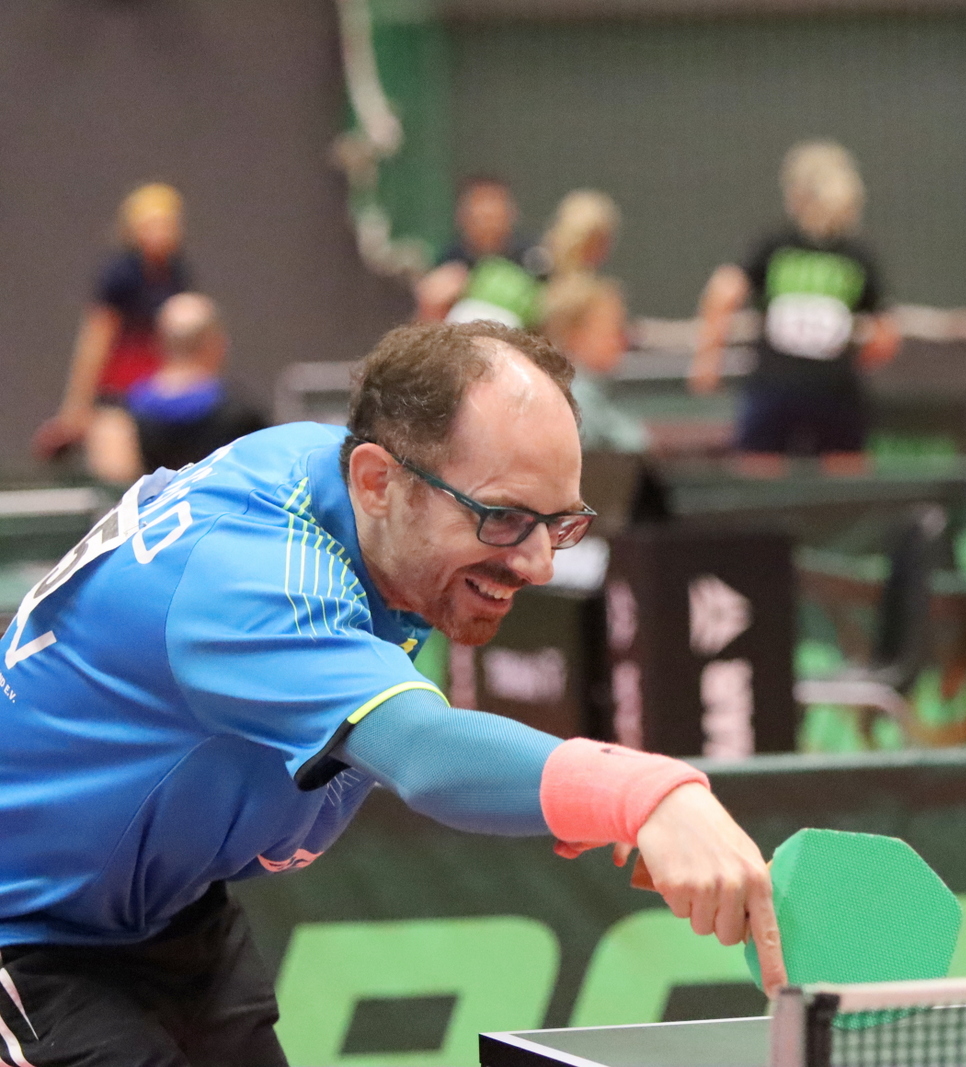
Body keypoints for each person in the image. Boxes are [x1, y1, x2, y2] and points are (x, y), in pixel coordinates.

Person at [0, 320, 783, 1063]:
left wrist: (573, 798)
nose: (540, 563)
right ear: (378, 480)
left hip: (164, 904)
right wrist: (645, 795)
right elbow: (423, 752)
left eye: (560, 522)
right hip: (28, 929)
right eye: (504, 517)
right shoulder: (253, 578)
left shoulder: (344, 484)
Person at [691, 140, 899, 461]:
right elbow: (886, 334)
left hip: (805, 387)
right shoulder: (792, 247)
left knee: (836, 473)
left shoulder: (841, 253)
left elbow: (723, 292)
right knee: (772, 470)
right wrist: (708, 358)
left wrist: (708, 358)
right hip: (800, 386)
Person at [32, 183, 193, 462]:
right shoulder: (119, 275)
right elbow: (96, 340)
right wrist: (76, 408)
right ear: (133, 229)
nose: (160, 233)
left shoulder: (177, 273)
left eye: (167, 224)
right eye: (151, 225)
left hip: (160, 395)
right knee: (119, 471)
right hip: (118, 396)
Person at [85, 293, 268, 483]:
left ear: (157, 343)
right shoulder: (243, 416)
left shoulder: (118, 417)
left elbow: (114, 483)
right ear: (216, 344)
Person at [541, 271, 649, 453]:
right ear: (575, 336)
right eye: (615, 328)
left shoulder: (596, 394)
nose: (624, 339)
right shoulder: (574, 403)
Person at [413, 177, 542, 326]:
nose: (488, 223)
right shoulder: (449, 261)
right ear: (462, 216)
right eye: (480, 215)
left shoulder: (533, 258)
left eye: (494, 213)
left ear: (511, 213)